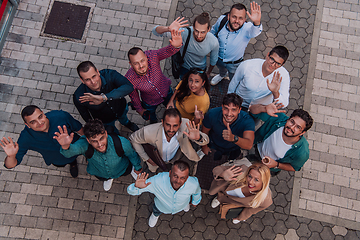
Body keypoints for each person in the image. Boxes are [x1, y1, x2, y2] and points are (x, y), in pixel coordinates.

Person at [54, 119, 142, 191]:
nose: (100, 144)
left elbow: (132, 155)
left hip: (122, 169)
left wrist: (137, 167)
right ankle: (109, 178)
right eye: (94, 141)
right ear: (88, 140)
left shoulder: (122, 142)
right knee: (105, 178)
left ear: (106, 133)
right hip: (100, 173)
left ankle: (132, 171)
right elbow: (70, 153)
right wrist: (65, 145)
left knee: (128, 170)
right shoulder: (84, 144)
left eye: (101, 138)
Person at [0, 105, 83, 178]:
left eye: (40, 117)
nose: (39, 123)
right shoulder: (26, 137)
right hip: (57, 159)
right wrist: (11, 156)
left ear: (43, 113)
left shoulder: (61, 116)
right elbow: (11, 165)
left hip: (77, 147)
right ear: (27, 125)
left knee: (80, 157)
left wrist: (89, 143)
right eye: (33, 122)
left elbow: (79, 129)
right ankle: (73, 164)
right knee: (62, 164)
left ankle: (73, 161)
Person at [126, 29, 183, 123]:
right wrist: (140, 110)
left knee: (172, 108)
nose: (141, 66)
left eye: (142, 61)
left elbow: (167, 51)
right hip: (149, 102)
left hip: (166, 91)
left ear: (146, 57)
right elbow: (134, 96)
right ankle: (153, 123)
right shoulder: (130, 79)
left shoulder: (152, 56)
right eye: (136, 63)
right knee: (152, 118)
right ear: (131, 64)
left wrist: (176, 46)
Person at [129, 108, 209, 175]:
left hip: (177, 157)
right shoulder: (148, 132)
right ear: (162, 122)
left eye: (175, 125)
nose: (171, 130)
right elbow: (133, 139)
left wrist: (198, 138)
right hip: (157, 161)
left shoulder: (185, 125)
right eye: (168, 125)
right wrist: (147, 158)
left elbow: (206, 140)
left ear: (180, 123)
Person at [127, 160, 202, 227]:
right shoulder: (157, 181)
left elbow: (197, 192)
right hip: (161, 207)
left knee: (185, 205)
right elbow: (131, 191)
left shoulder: (193, 183)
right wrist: (137, 187)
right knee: (156, 211)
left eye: (182, 178)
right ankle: (155, 215)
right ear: (170, 173)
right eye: (175, 176)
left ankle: (185, 206)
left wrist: (195, 201)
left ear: (187, 178)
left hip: (183, 204)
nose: (178, 181)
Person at [248, 102, 313, 175]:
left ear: (302, 133)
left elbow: (294, 167)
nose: (292, 127)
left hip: (269, 168)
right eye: (292, 122)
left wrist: (276, 165)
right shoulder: (279, 118)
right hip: (257, 148)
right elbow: (252, 110)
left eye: (298, 127)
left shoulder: (302, 152)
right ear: (288, 119)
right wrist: (264, 108)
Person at [73, 61, 139, 133]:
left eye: (94, 76)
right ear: (82, 80)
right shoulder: (79, 96)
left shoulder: (110, 75)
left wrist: (104, 97)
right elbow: (86, 116)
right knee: (113, 133)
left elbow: (129, 87)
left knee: (124, 118)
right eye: (87, 79)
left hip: (120, 108)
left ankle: (127, 123)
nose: (93, 82)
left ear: (98, 72)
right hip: (105, 120)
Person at [153, 12, 219, 79]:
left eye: (203, 32)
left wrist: (208, 73)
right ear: (193, 27)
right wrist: (168, 28)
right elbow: (155, 31)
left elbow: (213, 60)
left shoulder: (213, 42)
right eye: (196, 31)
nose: (199, 35)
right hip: (184, 67)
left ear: (208, 29)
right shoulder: (184, 33)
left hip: (200, 69)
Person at [210, 2, 262, 85]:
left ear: (244, 20)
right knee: (221, 69)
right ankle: (221, 75)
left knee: (233, 78)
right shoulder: (222, 20)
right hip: (218, 58)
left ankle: (233, 84)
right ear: (228, 16)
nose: (236, 21)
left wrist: (257, 22)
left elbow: (256, 31)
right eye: (234, 17)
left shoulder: (247, 29)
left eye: (240, 18)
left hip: (234, 64)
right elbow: (213, 31)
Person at [227, 46, 290, 110]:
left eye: (278, 63)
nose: (273, 65)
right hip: (240, 102)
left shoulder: (283, 75)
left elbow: (284, 104)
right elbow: (234, 83)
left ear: (282, 64)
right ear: (267, 55)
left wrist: (275, 92)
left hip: (259, 109)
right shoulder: (247, 66)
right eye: (272, 59)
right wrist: (229, 101)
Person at [201, 94, 255, 161]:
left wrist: (233, 138)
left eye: (233, 110)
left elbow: (249, 145)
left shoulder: (247, 121)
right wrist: (204, 146)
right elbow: (205, 132)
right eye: (226, 108)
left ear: (239, 110)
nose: (229, 114)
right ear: (222, 107)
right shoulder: (212, 114)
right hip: (214, 144)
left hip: (233, 148)